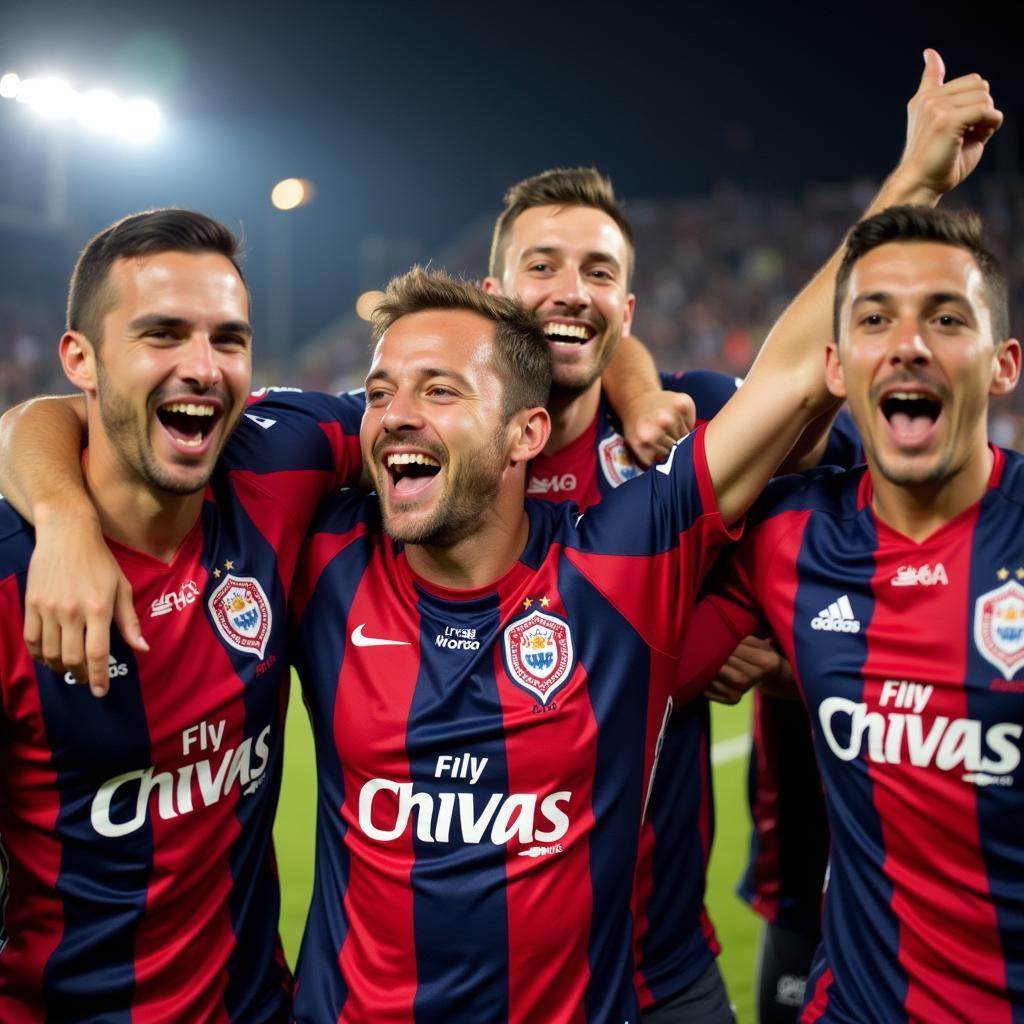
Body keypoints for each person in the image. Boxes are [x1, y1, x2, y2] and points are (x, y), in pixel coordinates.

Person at [0, 210, 364, 1020]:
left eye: (228, 340)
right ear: (81, 360)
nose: (203, 367)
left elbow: (464, 411)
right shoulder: (8, 583)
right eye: (162, 334)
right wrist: (60, 516)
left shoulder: (279, 457)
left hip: (255, 1005)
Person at [680, 204, 1023, 1022]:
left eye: (947, 317)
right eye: (876, 319)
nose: (909, 343)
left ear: (1003, 364)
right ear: (834, 368)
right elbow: (646, 668)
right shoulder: (790, 536)